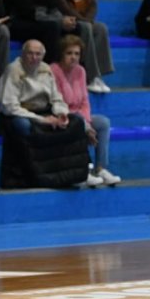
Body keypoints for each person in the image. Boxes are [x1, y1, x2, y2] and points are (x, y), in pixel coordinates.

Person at [51, 35, 121, 187]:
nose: (73, 57)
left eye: (76, 54)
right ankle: (83, 170)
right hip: (62, 116)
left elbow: (84, 101)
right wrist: (85, 124)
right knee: (78, 122)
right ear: (61, 54)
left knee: (103, 122)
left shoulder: (81, 71)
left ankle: (101, 168)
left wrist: (88, 122)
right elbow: (59, 102)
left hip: (81, 116)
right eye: (69, 53)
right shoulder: (53, 71)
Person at [47, 0, 114, 93]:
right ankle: (90, 76)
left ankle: (99, 75)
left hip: (81, 21)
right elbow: (63, 6)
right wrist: (84, 20)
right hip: (63, 23)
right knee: (86, 27)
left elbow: (92, 4)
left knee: (101, 28)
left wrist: (87, 19)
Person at [0, 39, 70, 136]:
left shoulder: (46, 69)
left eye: (38, 54)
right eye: (30, 53)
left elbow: (56, 98)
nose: (34, 57)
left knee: (76, 120)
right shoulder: (13, 70)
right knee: (23, 125)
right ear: (22, 54)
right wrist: (42, 120)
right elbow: (9, 107)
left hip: (43, 111)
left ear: (43, 56)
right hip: (18, 114)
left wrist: (61, 113)